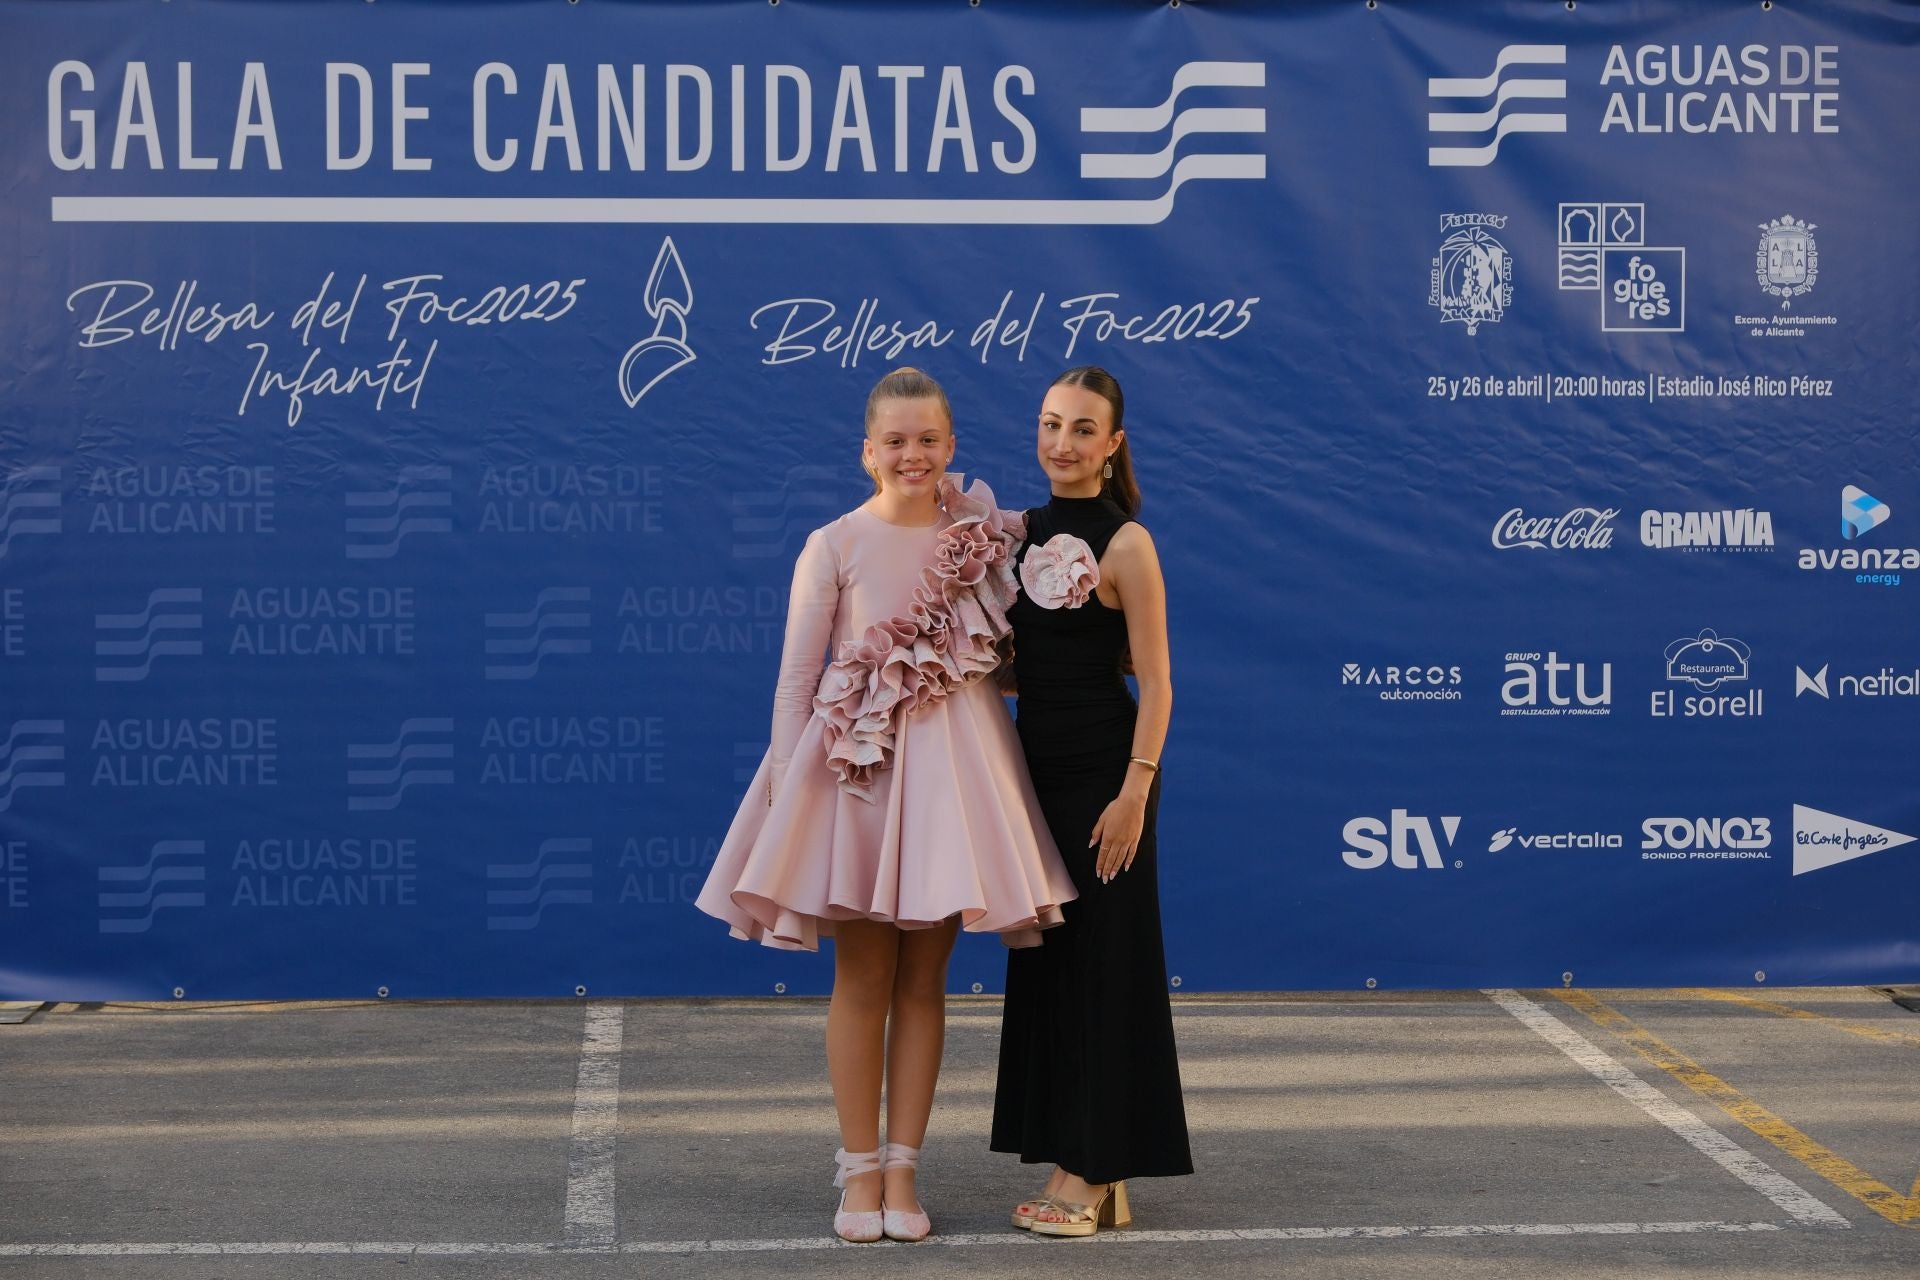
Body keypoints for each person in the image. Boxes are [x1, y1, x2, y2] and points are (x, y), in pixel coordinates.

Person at [697, 367, 1076, 1244]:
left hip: (957, 787)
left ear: (951, 446)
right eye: (896, 441)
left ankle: (905, 1166)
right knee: (863, 978)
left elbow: (1021, 648)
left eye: (928, 440)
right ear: (868, 452)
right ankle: (858, 1169)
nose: (913, 454)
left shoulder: (987, 537)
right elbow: (797, 680)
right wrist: (794, 797)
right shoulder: (832, 543)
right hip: (860, 782)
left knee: (926, 981)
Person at [990, 365, 1193, 1238]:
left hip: (1106, 781)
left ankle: (1095, 1170)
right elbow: (1015, 668)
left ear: (1112, 445)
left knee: (1109, 973)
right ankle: (1078, 1158)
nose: (1059, 443)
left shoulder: (1128, 545)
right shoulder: (1013, 534)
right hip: (1030, 781)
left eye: (1080, 429)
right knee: (1055, 972)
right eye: (1049, 424)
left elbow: (1158, 683)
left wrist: (1133, 794)